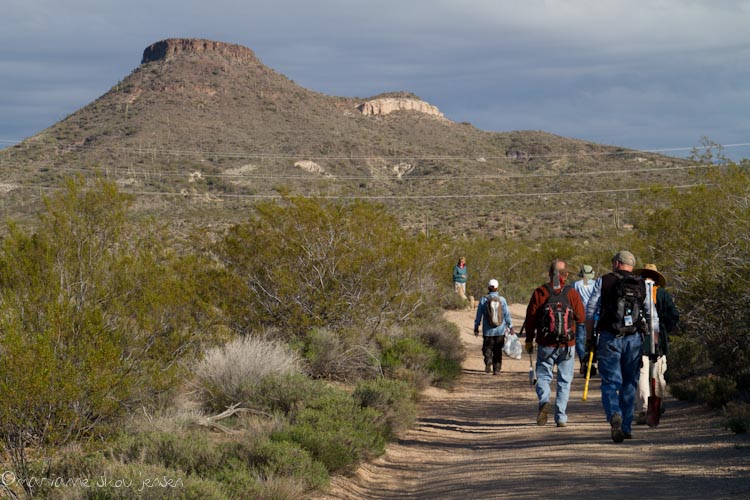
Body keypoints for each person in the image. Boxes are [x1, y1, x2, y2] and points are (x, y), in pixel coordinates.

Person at [585, 250, 647, 443]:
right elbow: (652, 316)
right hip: (634, 339)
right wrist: (653, 345)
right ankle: (626, 426)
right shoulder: (642, 284)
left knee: (611, 382)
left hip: (609, 337)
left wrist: (589, 338)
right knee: (630, 382)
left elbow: (590, 310)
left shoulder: (604, 281)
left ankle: (614, 414)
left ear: (618, 263)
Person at [524, 259, 585, 427]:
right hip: (568, 345)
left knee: (543, 376)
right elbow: (581, 317)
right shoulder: (571, 293)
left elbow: (531, 319)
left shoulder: (540, 292)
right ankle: (561, 417)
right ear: (565, 275)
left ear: (550, 274)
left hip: (546, 343)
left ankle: (544, 400)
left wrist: (529, 339)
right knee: (564, 381)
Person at [634, 263, 679, 425]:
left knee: (642, 375)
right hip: (659, 339)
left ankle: (644, 409)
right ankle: (657, 405)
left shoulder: (635, 293)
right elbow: (673, 316)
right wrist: (664, 328)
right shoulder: (662, 294)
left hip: (639, 340)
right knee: (658, 374)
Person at [474, 279, 514, 375]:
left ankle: (488, 360)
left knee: (487, 348)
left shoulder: (484, 300)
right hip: (500, 330)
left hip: (488, 331)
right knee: (498, 350)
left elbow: (479, 314)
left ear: (488, 287)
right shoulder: (502, 300)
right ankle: (496, 369)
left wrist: (476, 326)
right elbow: (506, 314)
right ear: (497, 288)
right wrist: (510, 326)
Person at [573, 264, 596, 375]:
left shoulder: (576, 284)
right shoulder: (596, 284)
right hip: (594, 316)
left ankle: (583, 360)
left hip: (581, 315)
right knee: (592, 339)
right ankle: (592, 360)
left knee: (580, 340)